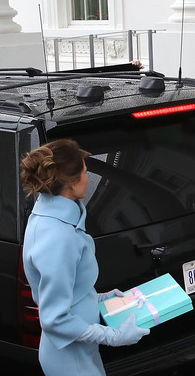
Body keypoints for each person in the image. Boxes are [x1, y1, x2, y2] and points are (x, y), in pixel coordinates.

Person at [20, 139, 149, 375]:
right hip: (71, 359)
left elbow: (68, 292)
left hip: (76, 351)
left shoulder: (49, 216)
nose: (88, 179)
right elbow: (55, 318)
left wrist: (99, 299)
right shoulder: (58, 236)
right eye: (85, 172)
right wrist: (115, 337)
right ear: (71, 183)